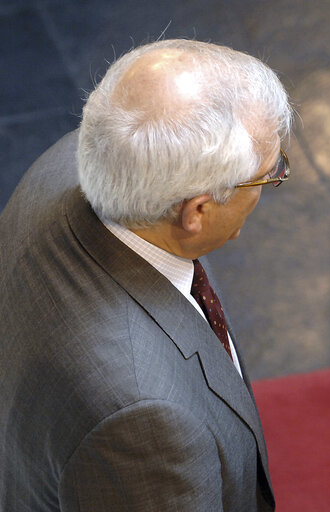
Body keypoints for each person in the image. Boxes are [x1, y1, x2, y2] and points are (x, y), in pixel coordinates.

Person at [0, 39, 292, 511]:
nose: (272, 181)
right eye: (268, 176)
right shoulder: (147, 423)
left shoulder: (76, 160)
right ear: (196, 210)